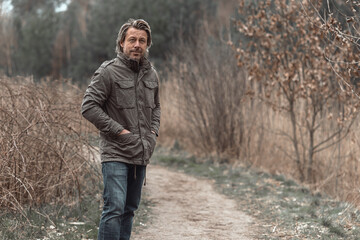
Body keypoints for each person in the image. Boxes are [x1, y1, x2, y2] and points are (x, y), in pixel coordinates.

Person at [81, 18, 160, 240]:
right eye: (132, 40)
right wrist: (119, 131)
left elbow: (157, 108)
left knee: (129, 210)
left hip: (141, 153)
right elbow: (88, 107)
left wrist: (153, 134)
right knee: (114, 208)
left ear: (147, 45)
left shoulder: (151, 74)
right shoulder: (108, 72)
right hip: (115, 152)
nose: (137, 45)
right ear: (122, 43)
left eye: (142, 41)